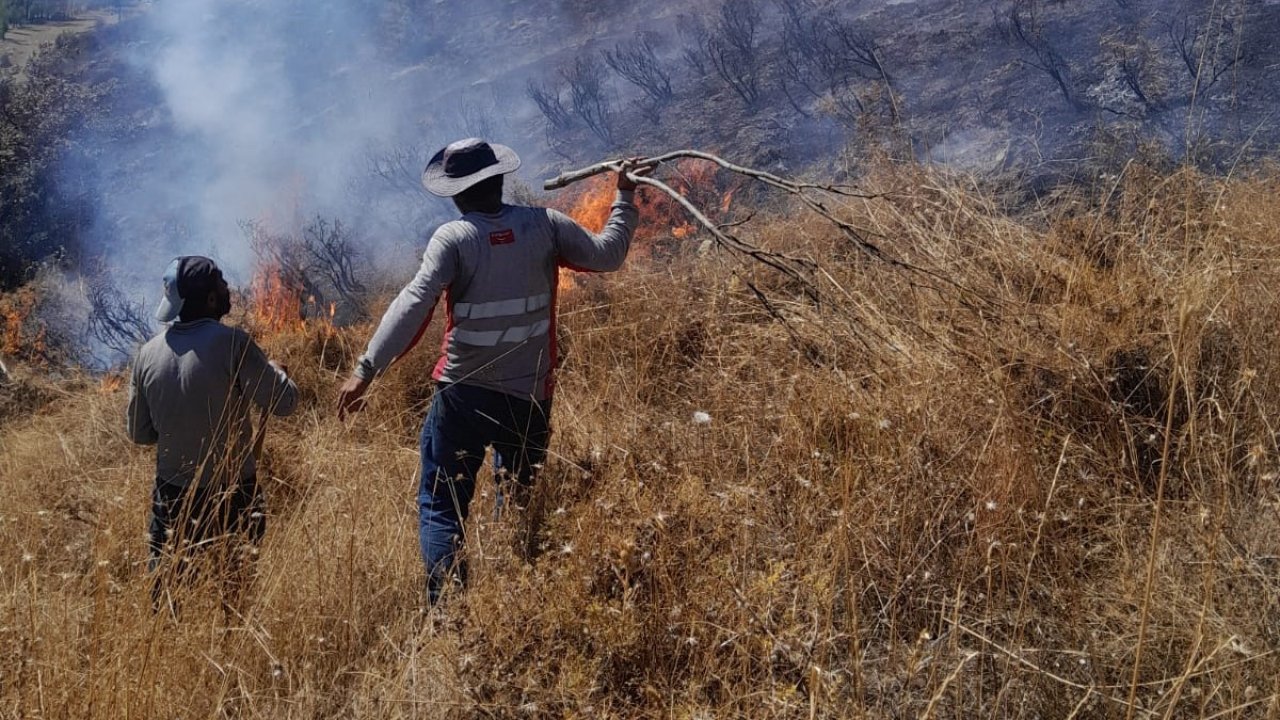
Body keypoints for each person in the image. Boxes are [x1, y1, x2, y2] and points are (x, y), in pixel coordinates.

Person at [336, 138, 650, 603]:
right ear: (500, 180)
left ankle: (449, 614)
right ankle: (513, 598)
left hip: (462, 397)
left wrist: (366, 369)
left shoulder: (455, 238)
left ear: (456, 193)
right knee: (519, 500)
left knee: (443, 507)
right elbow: (608, 255)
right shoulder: (544, 225)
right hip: (528, 398)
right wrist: (624, 196)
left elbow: (413, 305)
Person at [127, 256, 298, 608]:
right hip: (233, 494)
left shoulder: (147, 354)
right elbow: (284, 403)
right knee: (235, 596)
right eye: (220, 282)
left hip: (172, 496)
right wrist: (275, 372)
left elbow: (140, 434)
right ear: (207, 298)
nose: (227, 288)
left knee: (169, 597)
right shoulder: (232, 343)